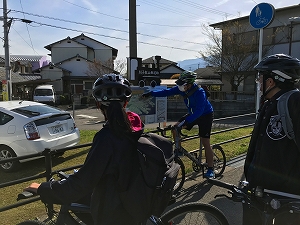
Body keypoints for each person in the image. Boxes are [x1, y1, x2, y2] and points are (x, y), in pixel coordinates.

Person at [24, 74, 144, 225]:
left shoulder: (107, 138)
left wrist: (44, 188)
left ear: (98, 105)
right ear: (126, 103)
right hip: (134, 202)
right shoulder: (134, 130)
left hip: (115, 212)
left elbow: (82, 183)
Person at [243, 54, 300, 225]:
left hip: (285, 197)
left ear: (271, 81)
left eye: (260, 78)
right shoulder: (269, 103)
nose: (259, 83)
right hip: (260, 192)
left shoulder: (294, 102)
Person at [142, 71, 215, 178]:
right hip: (192, 114)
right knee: (175, 128)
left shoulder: (200, 93)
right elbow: (166, 92)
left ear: (189, 84)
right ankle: (179, 149)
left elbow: (199, 111)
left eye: (182, 84)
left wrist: (187, 121)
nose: (179, 86)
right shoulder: (182, 89)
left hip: (205, 115)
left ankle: (211, 168)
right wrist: (151, 93)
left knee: (205, 142)